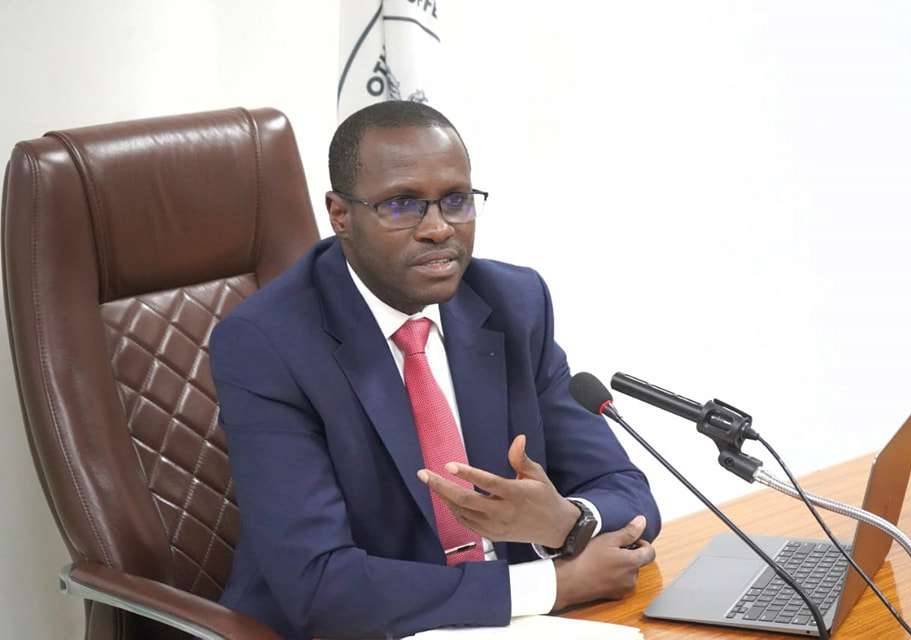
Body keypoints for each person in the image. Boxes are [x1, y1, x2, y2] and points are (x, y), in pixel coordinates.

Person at [210, 101, 661, 639]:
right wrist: (549, 584)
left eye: (456, 200)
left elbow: (626, 493)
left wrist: (566, 522)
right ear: (340, 214)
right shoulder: (267, 343)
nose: (438, 228)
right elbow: (319, 586)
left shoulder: (513, 303)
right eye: (401, 205)